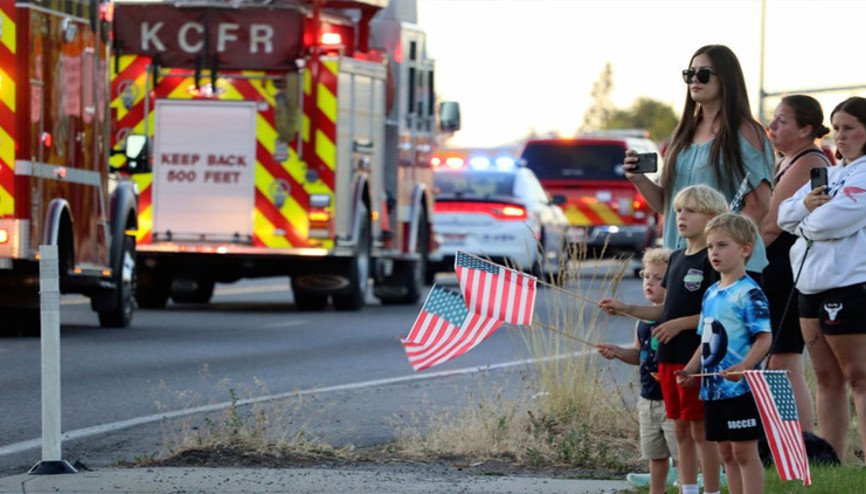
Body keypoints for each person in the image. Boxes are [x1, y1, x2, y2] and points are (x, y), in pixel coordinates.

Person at [600, 185, 726, 494]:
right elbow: (664, 311)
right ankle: (688, 489)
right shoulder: (677, 258)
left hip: (695, 358)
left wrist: (680, 324)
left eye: (690, 211)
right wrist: (626, 308)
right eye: (679, 211)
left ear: (712, 217)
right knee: (680, 430)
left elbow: (718, 313)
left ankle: (710, 489)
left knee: (699, 431)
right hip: (668, 358)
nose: (681, 217)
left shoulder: (711, 261)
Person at [622, 44, 774, 279]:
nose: (694, 80)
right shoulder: (682, 133)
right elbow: (668, 206)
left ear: (726, 78)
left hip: (726, 265)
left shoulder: (746, 132)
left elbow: (758, 205)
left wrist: (720, 247)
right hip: (679, 260)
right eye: (689, 74)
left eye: (703, 74)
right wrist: (638, 180)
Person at [778, 96, 866, 461]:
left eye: (850, 128)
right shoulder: (829, 172)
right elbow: (783, 214)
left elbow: (831, 222)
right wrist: (805, 209)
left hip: (849, 287)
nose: (840, 136)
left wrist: (804, 221)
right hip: (809, 287)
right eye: (837, 128)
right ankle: (833, 461)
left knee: (859, 378)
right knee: (826, 378)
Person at [678, 213, 772, 494]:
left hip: (741, 388)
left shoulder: (750, 292)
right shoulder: (710, 293)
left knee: (744, 451)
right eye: (710, 246)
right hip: (713, 388)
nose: (714, 252)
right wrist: (691, 368)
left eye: (722, 245)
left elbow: (764, 338)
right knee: (726, 453)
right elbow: (706, 339)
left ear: (745, 249)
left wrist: (744, 366)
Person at [762, 95, 831, 433]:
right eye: (773, 118)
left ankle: (797, 439)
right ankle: (781, 437)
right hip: (776, 269)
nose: (772, 125)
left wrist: (739, 261)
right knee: (774, 358)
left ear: (806, 129)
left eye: (782, 120)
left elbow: (771, 224)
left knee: (784, 359)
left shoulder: (809, 161)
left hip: (789, 272)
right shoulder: (784, 160)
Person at [597, 247, 678, 494]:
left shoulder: (676, 317)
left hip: (673, 398)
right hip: (648, 398)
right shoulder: (642, 321)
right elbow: (639, 355)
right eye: (646, 276)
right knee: (656, 455)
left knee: (682, 455)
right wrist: (618, 352)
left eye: (658, 278)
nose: (649, 283)